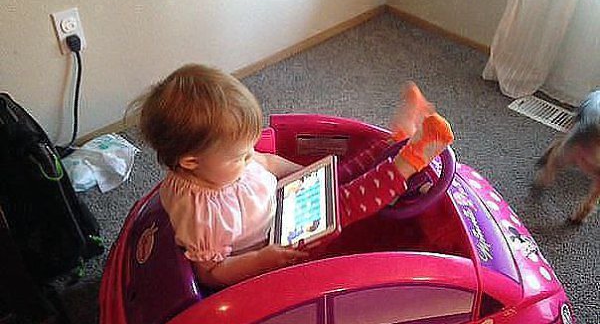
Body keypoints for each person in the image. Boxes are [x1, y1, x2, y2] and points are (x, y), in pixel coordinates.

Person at [134, 64, 453, 288]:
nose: (249, 157)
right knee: (345, 203)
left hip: (285, 201)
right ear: (191, 162)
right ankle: (409, 160)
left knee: (339, 176)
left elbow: (268, 162)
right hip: (277, 247)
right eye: (241, 156)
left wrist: (308, 175)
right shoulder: (203, 216)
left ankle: (397, 139)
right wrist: (262, 259)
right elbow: (211, 273)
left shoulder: (218, 165)